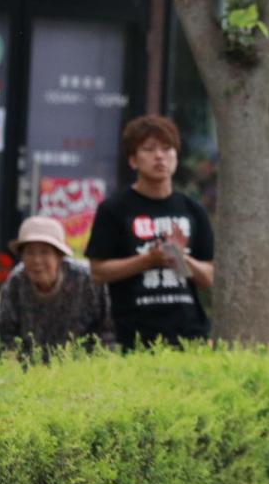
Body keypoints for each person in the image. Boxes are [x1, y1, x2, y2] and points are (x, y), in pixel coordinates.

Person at [86, 115, 215, 350]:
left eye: (167, 149)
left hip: (189, 334)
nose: (160, 156)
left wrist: (178, 258)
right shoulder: (114, 209)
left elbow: (209, 277)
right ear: (133, 160)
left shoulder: (193, 210)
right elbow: (97, 272)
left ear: (176, 157)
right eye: (149, 149)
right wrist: (147, 260)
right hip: (133, 336)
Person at [0, 215, 112, 359]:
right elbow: (7, 336)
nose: (37, 260)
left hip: (83, 367)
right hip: (30, 371)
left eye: (45, 252)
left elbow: (108, 330)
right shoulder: (16, 283)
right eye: (29, 252)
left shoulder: (87, 280)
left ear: (59, 256)